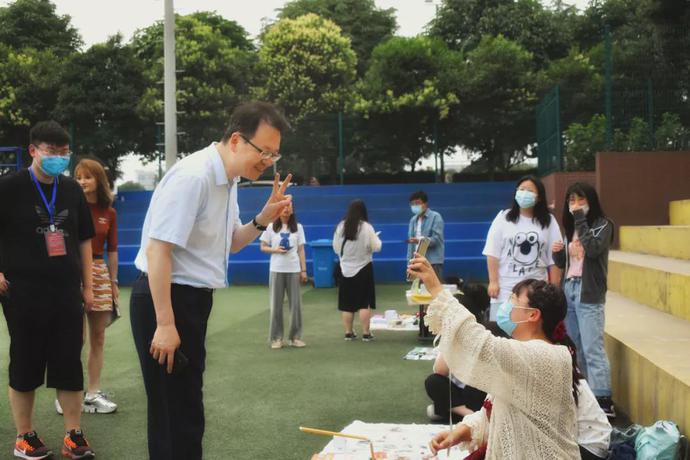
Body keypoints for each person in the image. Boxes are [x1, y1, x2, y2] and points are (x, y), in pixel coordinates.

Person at [130, 101, 292, 460]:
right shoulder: (194, 177)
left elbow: (231, 242)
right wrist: (165, 322)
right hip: (167, 298)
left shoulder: (227, 179)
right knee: (173, 413)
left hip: (192, 299)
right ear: (237, 140)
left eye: (274, 156)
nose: (267, 161)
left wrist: (264, 218)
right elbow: (158, 251)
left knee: (187, 408)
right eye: (264, 152)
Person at [409, 251, 581, 458]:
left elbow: (480, 343)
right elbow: (498, 410)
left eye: (514, 299)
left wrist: (436, 288)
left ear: (533, 315)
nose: (507, 305)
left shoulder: (543, 355)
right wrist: (460, 432)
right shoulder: (529, 352)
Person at [0, 121, 97, 459]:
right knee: (25, 362)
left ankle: (74, 435)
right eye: (50, 152)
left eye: (63, 152)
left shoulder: (71, 189)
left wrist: (87, 287)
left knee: (69, 362)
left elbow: (84, 239)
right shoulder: (9, 187)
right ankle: (24, 436)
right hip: (22, 291)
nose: (57, 158)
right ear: (33, 151)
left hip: (67, 292)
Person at [553, 182, 615, 418]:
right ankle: (586, 395)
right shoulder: (571, 229)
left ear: (591, 201)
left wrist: (579, 218)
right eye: (571, 201)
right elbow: (564, 264)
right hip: (569, 288)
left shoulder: (603, 225)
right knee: (576, 346)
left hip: (589, 292)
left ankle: (604, 400)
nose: (575, 205)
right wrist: (558, 252)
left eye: (580, 200)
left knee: (593, 348)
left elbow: (593, 249)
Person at [73, 158, 119, 413]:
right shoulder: (69, 206)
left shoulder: (109, 211)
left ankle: (93, 392)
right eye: (79, 177)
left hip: (100, 272)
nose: (82, 181)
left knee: (98, 337)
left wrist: (113, 282)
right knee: (74, 338)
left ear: (98, 180)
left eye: (88, 177)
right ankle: (68, 392)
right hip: (73, 272)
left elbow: (112, 250)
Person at [483, 175, 562, 322]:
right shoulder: (503, 218)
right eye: (521, 189)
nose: (524, 193)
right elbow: (492, 252)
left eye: (530, 190)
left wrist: (554, 288)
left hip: (536, 290)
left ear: (539, 197)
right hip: (505, 288)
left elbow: (555, 257)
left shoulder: (549, 221)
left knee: (532, 333)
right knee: (500, 333)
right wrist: (493, 281)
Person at [259, 201, 308, 349]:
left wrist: (303, 270)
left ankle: (295, 337)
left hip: (293, 269)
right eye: (283, 207)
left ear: (292, 210)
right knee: (276, 305)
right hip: (276, 269)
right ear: (278, 210)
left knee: (295, 305)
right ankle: (276, 338)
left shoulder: (298, 228)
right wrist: (276, 250)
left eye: (289, 207)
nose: (286, 209)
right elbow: (263, 247)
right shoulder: (270, 227)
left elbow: (301, 250)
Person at [333, 199, 381, 341]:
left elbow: (336, 247)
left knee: (346, 304)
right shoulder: (367, 227)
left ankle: (348, 332)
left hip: (345, 269)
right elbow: (376, 247)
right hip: (364, 268)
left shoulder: (341, 227)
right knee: (364, 302)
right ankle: (366, 333)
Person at [406, 190, 444, 280]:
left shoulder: (436, 217)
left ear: (425, 203)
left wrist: (420, 241)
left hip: (432, 261)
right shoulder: (412, 220)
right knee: (418, 291)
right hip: (416, 261)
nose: (415, 206)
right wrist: (409, 263)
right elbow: (411, 245)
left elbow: (437, 240)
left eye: (417, 203)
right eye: (412, 204)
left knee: (434, 291)